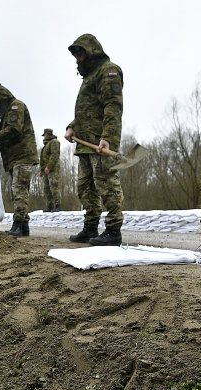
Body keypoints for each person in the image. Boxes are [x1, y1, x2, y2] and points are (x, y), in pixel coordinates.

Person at [65, 34, 125, 246]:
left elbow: (112, 106)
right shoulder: (89, 78)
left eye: (80, 53)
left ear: (91, 51)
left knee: (106, 184)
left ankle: (113, 230)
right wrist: (72, 127)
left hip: (100, 143)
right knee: (85, 188)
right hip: (85, 144)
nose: (77, 59)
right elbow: (85, 112)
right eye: (75, 55)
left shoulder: (108, 71)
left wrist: (107, 137)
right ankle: (90, 227)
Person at [0, 83, 38, 237]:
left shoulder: (16, 107)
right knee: (17, 192)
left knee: (19, 191)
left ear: (1, 96)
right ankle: (24, 225)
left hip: (23, 156)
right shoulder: (8, 111)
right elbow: (12, 136)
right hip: (15, 158)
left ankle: (18, 224)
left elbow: (15, 130)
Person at [39, 128, 62, 212]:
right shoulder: (46, 145)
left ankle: (57, 205)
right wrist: (42, 170)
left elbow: (54, 155)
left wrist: (49, 167)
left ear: (48, 134)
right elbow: (43, 159)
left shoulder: (54, 142)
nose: (44, 137)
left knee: (54, 186)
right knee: (46, 188)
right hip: (46, 170)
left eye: (44, 135)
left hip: (53, 169)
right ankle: (50, 206)